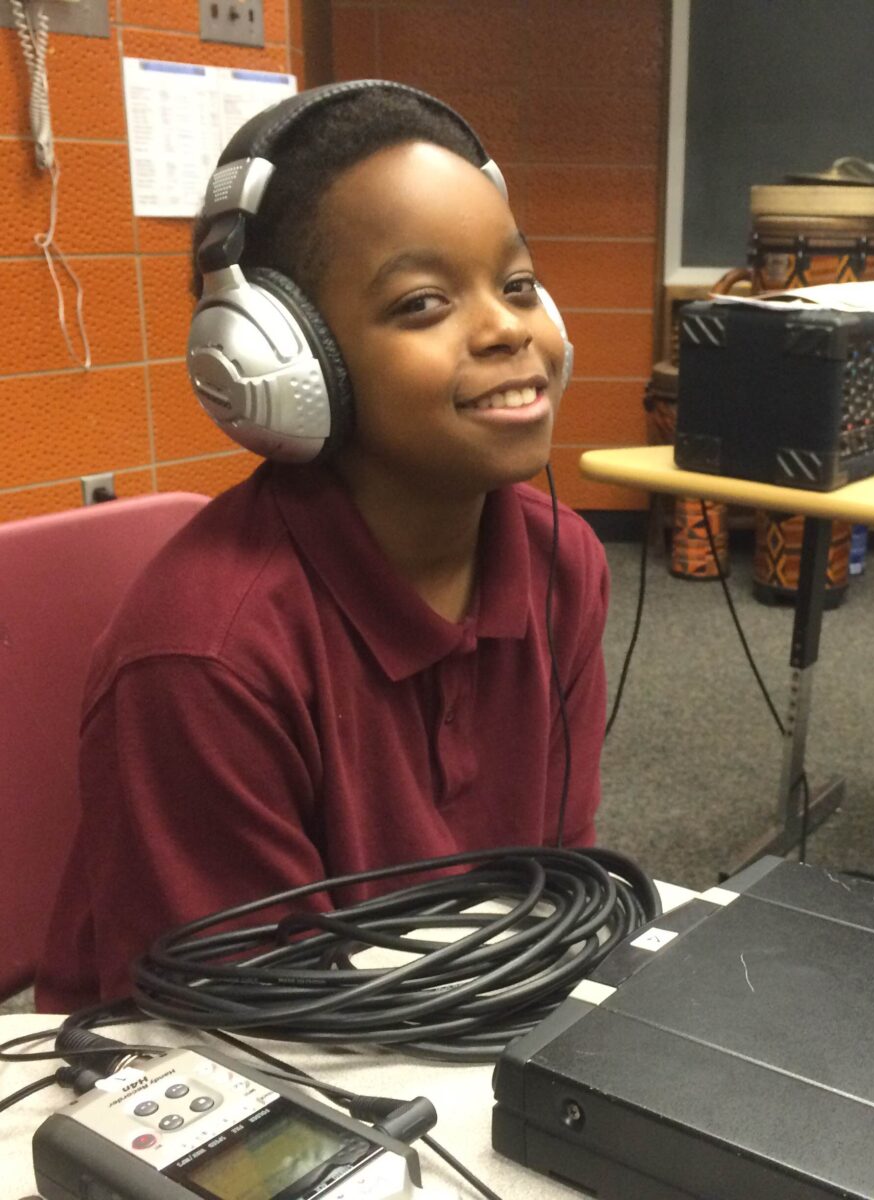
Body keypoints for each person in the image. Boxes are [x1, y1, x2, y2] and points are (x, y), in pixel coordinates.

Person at [35, 82, 609, 1012]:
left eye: (517, 285)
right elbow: (247, 1023)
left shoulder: (562, 562)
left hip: (458, 1011)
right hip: (216, 1067)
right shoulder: (206, 657)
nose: (508, 327)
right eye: (424, 302)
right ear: (285, 361)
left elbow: (559, 881)